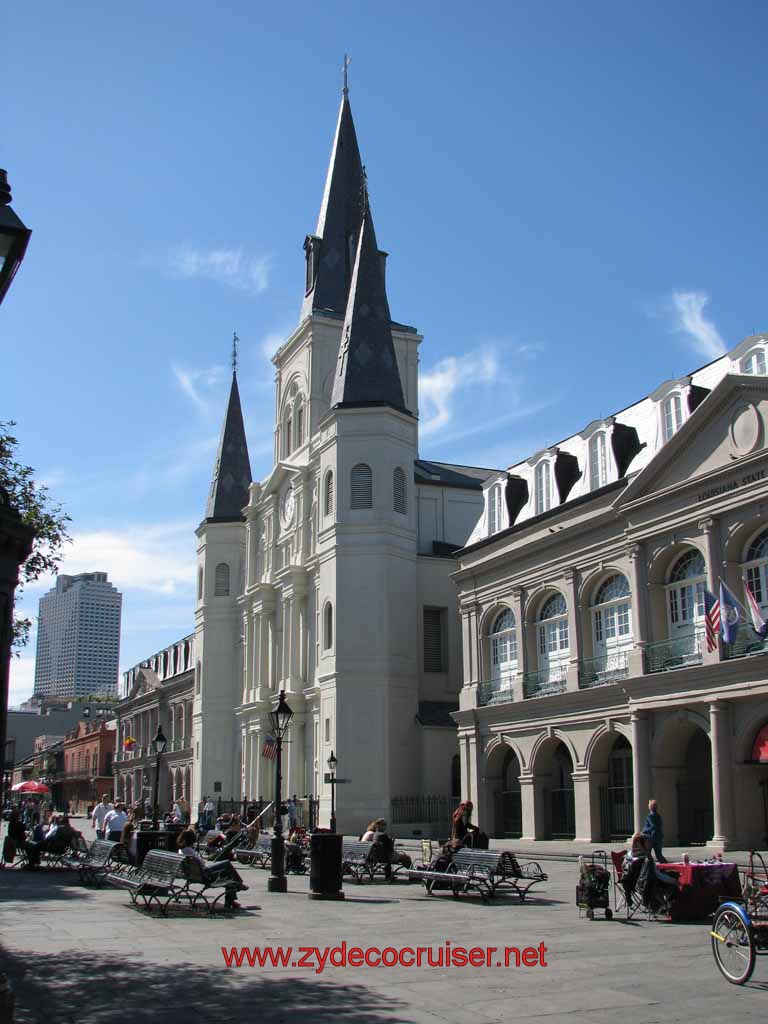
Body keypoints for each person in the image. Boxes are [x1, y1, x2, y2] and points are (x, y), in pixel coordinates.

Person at [177, 829, 248, 908]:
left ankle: (233, 898)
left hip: (196, 874)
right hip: (205, 874)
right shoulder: (189, 850)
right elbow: (201, 863)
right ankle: (238, 885)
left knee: (228, 874)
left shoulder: (182, 850)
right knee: (226, 864)